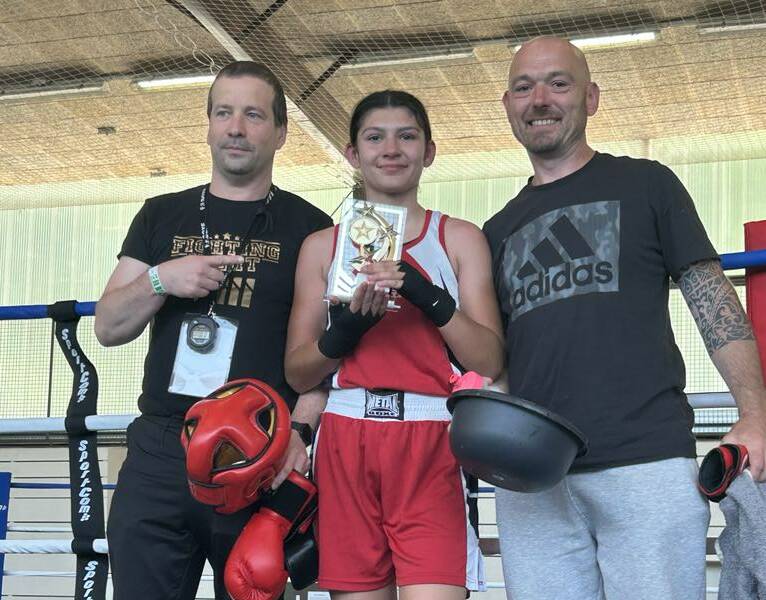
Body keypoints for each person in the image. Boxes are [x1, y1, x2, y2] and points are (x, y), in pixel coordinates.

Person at [483, 36, 766, 600]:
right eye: (523, 87)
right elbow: (495, 361)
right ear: (509, 106)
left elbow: (711, 299)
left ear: (590, 98)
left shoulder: (647, 183)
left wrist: (755, 415)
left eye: (558, 83)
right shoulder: (495, 231)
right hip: (534, 475)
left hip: (645, 460)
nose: (539, 99)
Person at [94, 61, 332, 600]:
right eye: (223, 113)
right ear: (207, 126)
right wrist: (161, 279)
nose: (236, 128)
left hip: (261, 453)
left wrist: (300, 432)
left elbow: (326, 351)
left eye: (253, 115)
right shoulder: (161, 216)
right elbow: (107, 327)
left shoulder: (311, 227)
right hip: (162, 449)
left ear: (281, 133)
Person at [283, 90, 504, 600]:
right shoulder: (322, 247)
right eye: (374, 137)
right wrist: (346, 330)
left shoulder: (458, 238)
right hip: (345, 437)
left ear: (429, 151)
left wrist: (427, 295)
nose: (391, 149)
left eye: (406, 136)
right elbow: (297, 372)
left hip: (431, 440)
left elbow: (490, 359)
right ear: (352, 153)